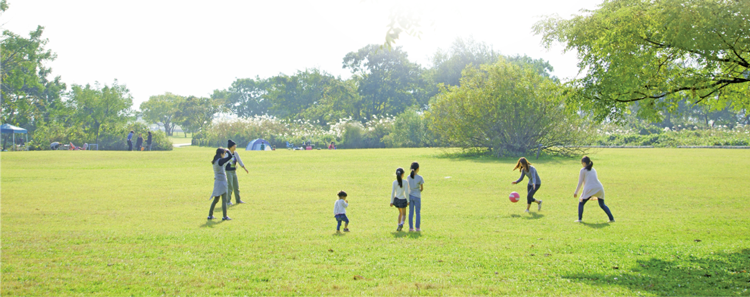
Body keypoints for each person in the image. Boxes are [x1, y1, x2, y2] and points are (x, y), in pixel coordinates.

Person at [573, 156, 615, 223]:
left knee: (581, 203)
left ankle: (579, 219)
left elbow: (580, 182)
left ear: (584, 163)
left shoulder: (583, 170)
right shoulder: (593, 169)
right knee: (602, 205)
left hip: (590, 188)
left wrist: (576, 192)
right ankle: (612, 219)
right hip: (599, 188)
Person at [208, 147, 233, 221]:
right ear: (221, 154)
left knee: (216, 200)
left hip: (217, 182)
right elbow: (230, 157)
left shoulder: (215, 161)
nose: (224, 155)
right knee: (224, 200)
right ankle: (224, 216)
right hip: (222, 182)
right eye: (224, 153)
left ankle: (210, 215)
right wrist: (228, 151)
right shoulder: (220, 161)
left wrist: (225, 151)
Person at [224, 139, 248, 205]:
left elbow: (239, 161)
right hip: (228, 171)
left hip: (234, 171)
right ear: (231, 146)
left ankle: (238, 200)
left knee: (236, 186)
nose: (235, 147)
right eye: (234, 146)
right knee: (230, 186)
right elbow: (224, 163)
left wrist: (244, 168)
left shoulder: (235, 153)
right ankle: (227, 201)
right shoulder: (227, 153)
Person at [407, 162, 425, 232]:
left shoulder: (408, 177)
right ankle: (417, 228)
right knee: (418, 212)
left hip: (410, 195)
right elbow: (422, 188)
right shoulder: (420, 178)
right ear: (418, 169)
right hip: (417, 196)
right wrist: (418, 190)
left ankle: (411, 228)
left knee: (411, 212)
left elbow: (408, 186)